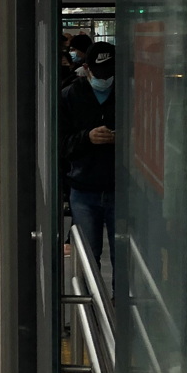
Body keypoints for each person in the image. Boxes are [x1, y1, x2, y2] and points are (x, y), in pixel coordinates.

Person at [61, 39, 115, 281]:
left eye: (110, 73)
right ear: (87, 69)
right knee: (88, 254)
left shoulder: (132, 91)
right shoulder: (70, 95)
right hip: (83, 188)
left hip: (120, 187)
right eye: (99, 72)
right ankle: (90, 305)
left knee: (123, 253)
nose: (104, 78)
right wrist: (87, 137)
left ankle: (120, 301)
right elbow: (60, 144)